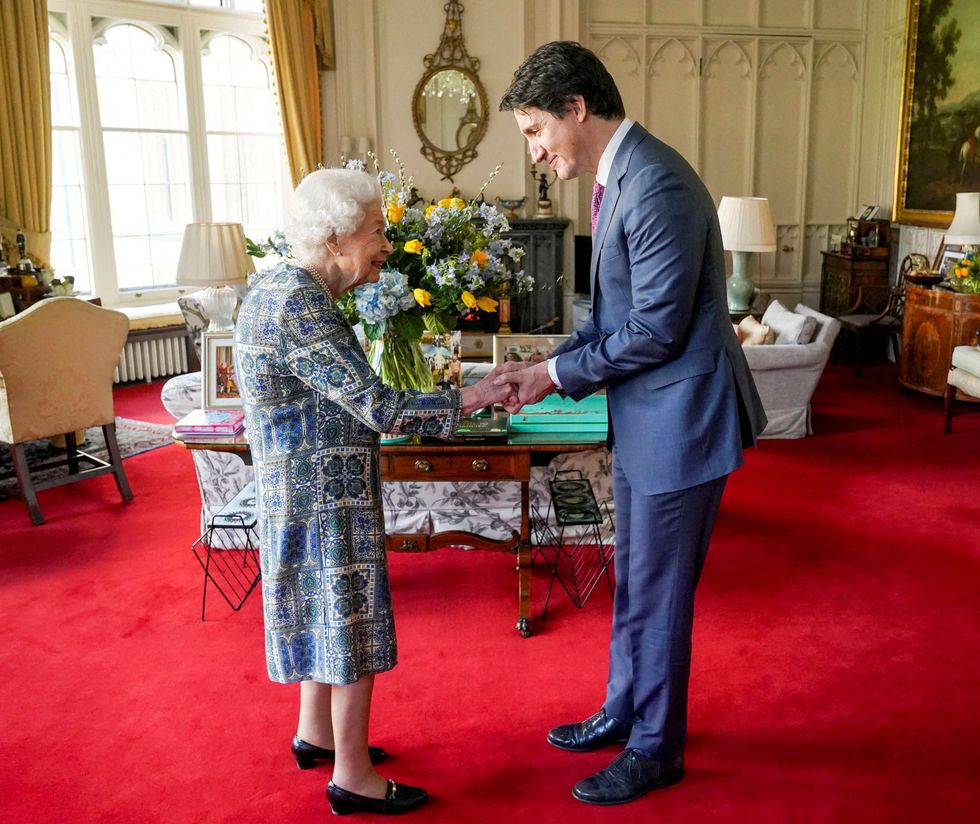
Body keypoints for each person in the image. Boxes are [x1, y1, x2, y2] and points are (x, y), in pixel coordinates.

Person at [497, 41, 767, 806]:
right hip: (650, 418)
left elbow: (653, 332)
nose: (536, 150)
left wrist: (551, 376)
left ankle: (657, 748)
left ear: (576, 108)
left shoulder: (655, 186)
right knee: (636, 585)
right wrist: (541, 366)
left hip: (682, 421)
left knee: (658, 592)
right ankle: (624, 709)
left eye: (533, 130)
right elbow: (610, 316)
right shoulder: (620, 178)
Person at [233, 168, 514, 816]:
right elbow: (380, 408)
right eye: (376, 231)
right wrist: (472, 395)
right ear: (334, 238)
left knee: (322, 613)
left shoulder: (281, 287)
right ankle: (352, 777)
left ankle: (316, 734)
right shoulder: (299, 303)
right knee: (350, 623)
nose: (385, 245)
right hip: (323, 498)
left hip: (299, 489)